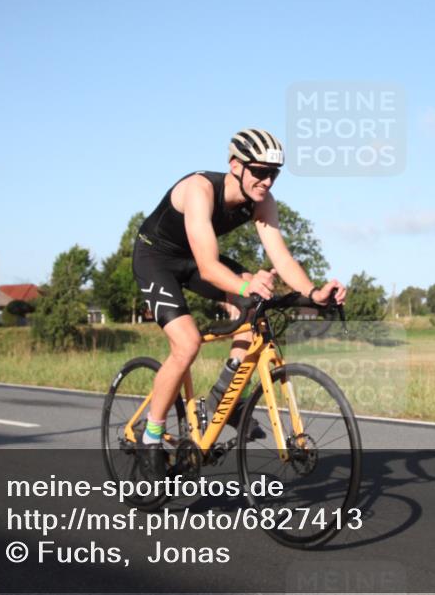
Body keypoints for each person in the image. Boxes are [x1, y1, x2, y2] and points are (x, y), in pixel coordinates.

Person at [132, 128, 347, 476]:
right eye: (259, 171)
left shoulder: (262, 202)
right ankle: (151, 435)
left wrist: (313, 293)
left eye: (274, 173)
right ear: (235, 165)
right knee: (186, 344)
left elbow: (281, 257)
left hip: (197, 258)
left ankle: (224, 398)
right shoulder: (201, 189)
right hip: (157, 259)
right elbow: (208, 267)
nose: (267, 181)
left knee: (255, 310)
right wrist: (246, 286)